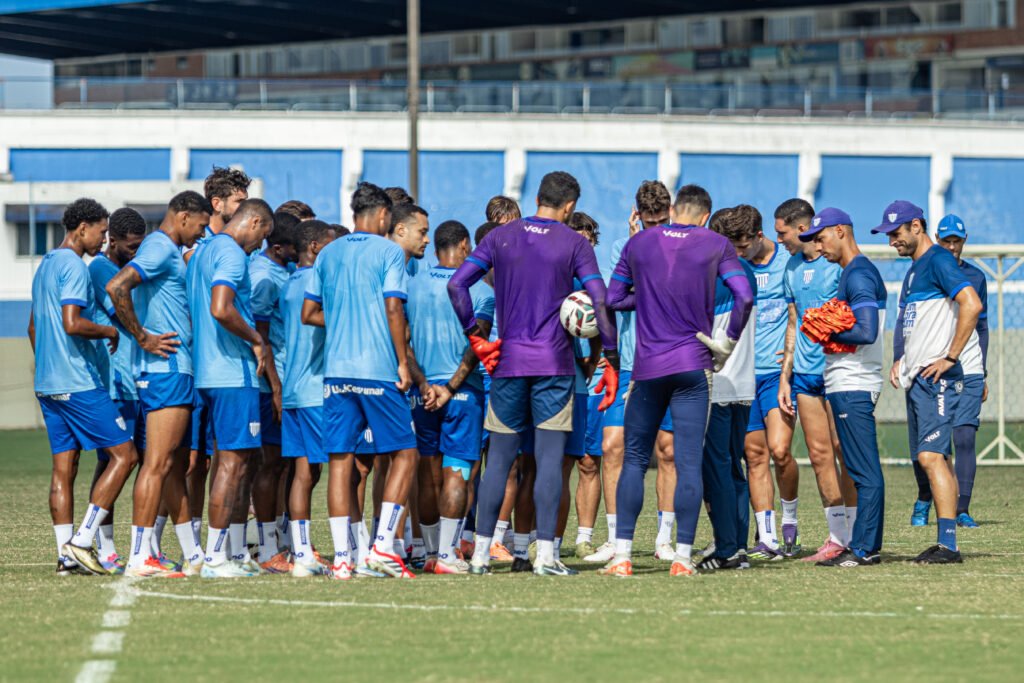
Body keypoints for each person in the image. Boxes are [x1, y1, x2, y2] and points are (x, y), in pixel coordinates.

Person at [448, 170, 619, 577]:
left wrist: (476, 337)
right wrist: (609, 356)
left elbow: (458, 285)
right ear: (570, 206)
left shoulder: (499, 237)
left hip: (508, 366)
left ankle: (479, 555)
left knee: (500, 462)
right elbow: (599, 300)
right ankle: (544, 556)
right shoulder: (575, 242)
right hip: (554, 368)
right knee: (547, 461)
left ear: (538, 197)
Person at [600, 184, 754, 578]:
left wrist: (648, 298)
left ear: (672, 209)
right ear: (705, 215)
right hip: (694, 364)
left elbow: (614, 299)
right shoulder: (716, 243)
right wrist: (727, 343)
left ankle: (621, 556)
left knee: (634, 460)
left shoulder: (639, 243)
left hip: (648, 366)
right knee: (687, 463)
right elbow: (745, 296)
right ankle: (682, 558)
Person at [302, 182, 419, 580]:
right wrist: (403, 362)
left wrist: (347, 320)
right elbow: (392, 307)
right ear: (384, 216)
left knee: (340, 461)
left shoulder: (329, 251)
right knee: (405, 453)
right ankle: (383, 547)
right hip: (377, 369)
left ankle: (342, 559)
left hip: (336, 371)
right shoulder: (388, 251)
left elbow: (309, 311)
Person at [30, 198, 139, 575]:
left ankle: (64, 556)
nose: (103, 238)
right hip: (77, 382)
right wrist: (110, 330)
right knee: (125, 456)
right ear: (82, 228)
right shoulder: (75, 266)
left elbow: (33, 328)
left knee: (65, 467)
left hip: (47, 384)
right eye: (101, 231)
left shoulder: (45, 265)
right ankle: (82, 540)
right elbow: (73, 323)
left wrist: (49, 364)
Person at [106, 193, 212, 577]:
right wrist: (142, 337)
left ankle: (193, 554)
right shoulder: (161, 247)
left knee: (173, 466)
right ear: (183, 217)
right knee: (158, 464)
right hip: (166, 370)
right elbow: (117, 286)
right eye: (199, 226)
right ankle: (138, 556)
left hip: (173, 371)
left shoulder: (166, 249)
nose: (200, 235)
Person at [882, 202, 983, 564]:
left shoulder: (939, 259)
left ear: (916, 226)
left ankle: (949, 546)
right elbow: (914, 322)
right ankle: (946, 540)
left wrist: (951, 357)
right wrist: (902, 359)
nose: (892, 240)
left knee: (930, 455)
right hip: (918, 377)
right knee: (935, 458)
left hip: (938, 377)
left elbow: (971, 304)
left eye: (896, 233)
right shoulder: (914, 270)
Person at [584, 180, 676, 565]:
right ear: (637, 217)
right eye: (649, 222)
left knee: (668, 451)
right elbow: (610, 302)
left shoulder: (680, 249)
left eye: (662, 221)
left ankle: (665, 538)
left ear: (671, 214)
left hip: (669, 361)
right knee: (612, 448)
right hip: (627, 364)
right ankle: (614, 537)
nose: (656, 229)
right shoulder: (621, 252)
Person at [188, 198, 275, 578]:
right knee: (233, 463)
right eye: (263, 236)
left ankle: (233, 554)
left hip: (207, 372)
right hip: (231, 374)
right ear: (253, 222)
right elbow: (221, 308)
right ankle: (215, 558)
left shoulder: (204, 251)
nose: (260, 245)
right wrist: (257, 338)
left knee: (234, 462)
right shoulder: (231, 254)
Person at [801, 207, 887, 567]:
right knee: (857, 466)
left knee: (864, 472)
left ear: (840, 231)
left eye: (820, 238)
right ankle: (863, 545)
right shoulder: (850, 273)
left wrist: (828, 330)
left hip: (854, 382)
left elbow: (866, 332)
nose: (818, 248)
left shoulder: (859, 273)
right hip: (846, 382)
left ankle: (864, 550)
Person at [407, 220, 495, 574]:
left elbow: (404, 340)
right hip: (462, 394)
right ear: (462, 245)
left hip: (422, 393)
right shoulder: (479, 291)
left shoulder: (412, 286)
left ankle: (429, 555)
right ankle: (446, 555)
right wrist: (451, 388)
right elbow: (478, 347)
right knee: (457, 472)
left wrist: (425, 384)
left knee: (428, 475)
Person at [774, 198, 856, 563]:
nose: (781, 241)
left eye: (784, 233)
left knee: (845, 452)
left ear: (802, 226)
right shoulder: (791, 268)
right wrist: (785, 376)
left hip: (838, 369)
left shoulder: (837, 263)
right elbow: (793, 321)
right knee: (820, 454)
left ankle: (856, 533)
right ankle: (836, 536)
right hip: (805, 375)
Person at [724, 204, 799, 560]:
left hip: (778, 375)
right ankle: (767, 539)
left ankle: (791, 520)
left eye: (743, 247)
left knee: (781, 451)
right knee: (754, 455)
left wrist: (793, 353)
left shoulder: (788, 262)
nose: (737, 254)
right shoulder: (731, 266)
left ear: (759, 236)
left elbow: (796, 314)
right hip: (744, 376)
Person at [186, 166, 252, 538]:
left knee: (229, 458)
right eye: (238, 201)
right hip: (209, 368)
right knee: (195, 461)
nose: (243, 208)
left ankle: (227, 544)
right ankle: (196, 543)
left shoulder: (231, 248)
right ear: (218, 203)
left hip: (218, 368)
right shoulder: (197, 251)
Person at [910, 214, 988, 529]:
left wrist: (985, 371)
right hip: (933, 367)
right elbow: (908, 318)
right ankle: (925, 497)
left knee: (965, 436)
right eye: (947, 241)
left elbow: (981, 326)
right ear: (938, 240)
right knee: (929, 444)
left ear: (964, 240)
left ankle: (961, 508)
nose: (953, 246)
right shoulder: (925, 269)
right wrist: (903, 359)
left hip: (967, 367)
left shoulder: (976, 277)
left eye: (957, 240)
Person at [695, 206, 758, 571]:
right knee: (734, 468)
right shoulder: (744, 272)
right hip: (743, 384)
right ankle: (737, 545)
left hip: (717, 383)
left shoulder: (714, 274)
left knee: (717, 467)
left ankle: (727, 548)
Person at [86, 207, 147, 573]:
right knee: (112, 461)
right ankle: (104, 545)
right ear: (112, 240)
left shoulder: (128, 268)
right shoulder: (99, 270)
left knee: (146, 461)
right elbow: (122, 308)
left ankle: (146, 545)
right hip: (115, 380)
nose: (136, 252)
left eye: (141, 246)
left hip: (141, 379)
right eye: (131, 246)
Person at [280, 220, 338, 577]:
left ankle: (301, 553)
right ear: (316, 247)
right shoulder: (320, 284)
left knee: (304, 472)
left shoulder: (289, 284)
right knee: (342, 469)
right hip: (317, 389)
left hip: (293, 390)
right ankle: (350, 548)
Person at [250, 210, 300, 572]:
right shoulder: (265, 277)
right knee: (269, 465)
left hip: (290, 379)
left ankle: (280, 541)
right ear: (279, 246)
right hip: (272, 384)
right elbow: (261, 337)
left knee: (285, 463)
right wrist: (276, 386)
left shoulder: (286, 271)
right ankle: (266, 548)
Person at [560, 211, 604, 563]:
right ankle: (549, 537)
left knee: (589, 461)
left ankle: (584, 538)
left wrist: (593, 358)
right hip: (557, 379)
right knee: (556, 463)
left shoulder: (595, 279)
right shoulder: (553, 275)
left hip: (591, 381)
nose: (583, 243)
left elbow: (606, 321)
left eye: (587, 238)